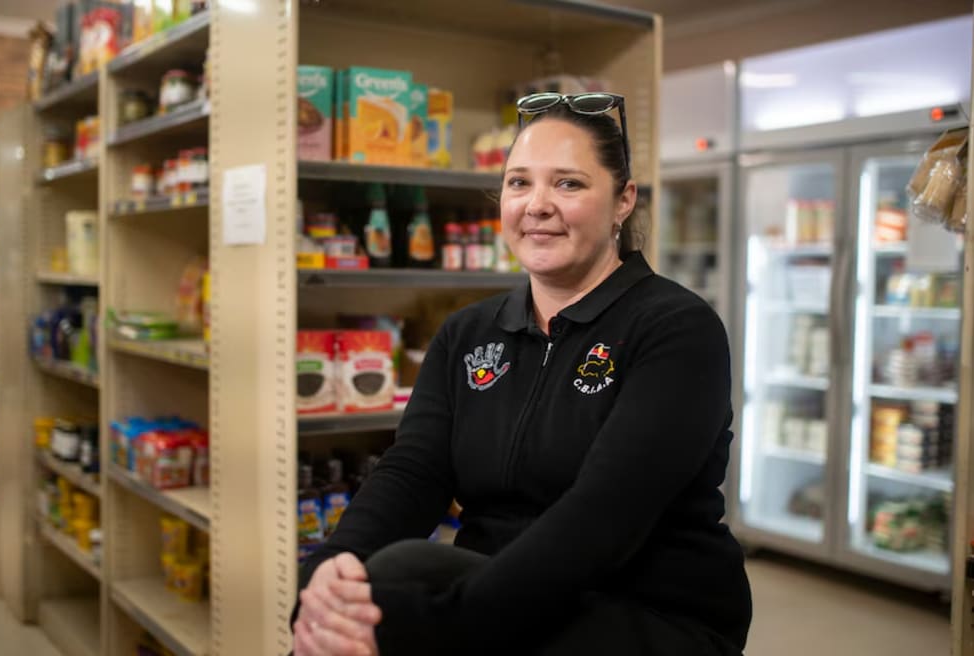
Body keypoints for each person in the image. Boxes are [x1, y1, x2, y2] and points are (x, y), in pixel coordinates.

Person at [292, 93, 752, 656]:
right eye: (518, 183)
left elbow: (605, 516)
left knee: (392, 594)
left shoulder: (676, 328)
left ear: (623, 201)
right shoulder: (468, 333)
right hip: (493, 594)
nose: (537, 205)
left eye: (568, 184)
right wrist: (329, 568)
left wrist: (435, 623)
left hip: (646, 609)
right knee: (359, 588)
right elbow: (413, 471)